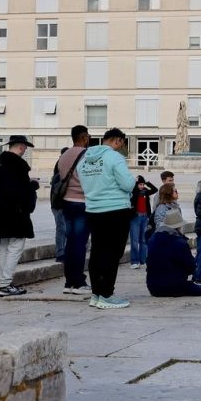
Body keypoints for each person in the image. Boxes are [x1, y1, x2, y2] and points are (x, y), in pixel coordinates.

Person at [78, 128, 137, 309]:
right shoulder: (114, 158)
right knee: (112, 253)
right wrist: (133, 180)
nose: (121, 148)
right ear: (118, 141)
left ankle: (96, 293)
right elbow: (127, 184)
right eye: (122, 144)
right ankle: (106, 294)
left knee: (97, 252)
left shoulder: (84, 159)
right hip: (115, 210)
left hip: (93, 209)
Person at [0, 135, 39, 297]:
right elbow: (20, 190)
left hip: (2, 210)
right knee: (16, 247)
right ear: (20, 146)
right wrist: (33, 185)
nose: (25, 150)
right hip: (17, 212)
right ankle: (5, 283)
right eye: (24, 147)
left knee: (4, 246)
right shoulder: (18, 165)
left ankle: (2, 282)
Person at [55, 125, 91, 296]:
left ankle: (69, 281)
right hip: (81, 202)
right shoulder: (86, 155)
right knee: (79, 244)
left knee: (70, 242)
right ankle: (77, 282)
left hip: (66, 203)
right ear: (84, 138)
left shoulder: (64, 156)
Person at [145, 203, 201, 298]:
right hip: (174, 285)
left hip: (153, 287)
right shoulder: (179, 243)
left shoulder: (153, 239)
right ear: (178, 227)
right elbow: (190, 267)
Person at [128, 175, 156, 269]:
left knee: (143, 240)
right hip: (135, 217)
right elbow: (131, 196)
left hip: (145, 216)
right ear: (136, 185)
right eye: (140, 184)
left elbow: (155, 189)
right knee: (134, 240)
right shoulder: (133, 192)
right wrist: (135, 186)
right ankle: (134, 261)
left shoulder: (145, 192)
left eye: (143, 184)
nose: (142, 186)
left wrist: (147, 183)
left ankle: (142, 260)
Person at [50, 146, 69, 262]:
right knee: (62, 229)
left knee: (62, 228)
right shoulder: (61, 169)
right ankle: (60, 252)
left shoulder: (59, 166)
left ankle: (61, 251)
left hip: (58, 204)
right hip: (59, 204)